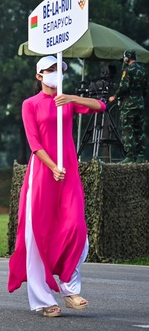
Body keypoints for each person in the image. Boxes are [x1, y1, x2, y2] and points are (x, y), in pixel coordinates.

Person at [8, 56, 106, 317]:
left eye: (58, 69)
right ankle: (43, 300)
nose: (55, 73)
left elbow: (100, 106)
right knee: (38, 233)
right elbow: (34, 143)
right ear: (39, 76)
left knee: (76, 228)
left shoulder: (67, 102)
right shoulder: (30, 104)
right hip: (44, 174)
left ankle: (70, 289)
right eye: (49, 70)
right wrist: (52, 167)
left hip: (69, 173)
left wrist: (72, 99)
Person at [109, 49, 147, 163]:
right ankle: (140, 155)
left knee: (127, 129)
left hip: (129, 105)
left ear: (126, 58)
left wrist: (114, 96)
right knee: (139, 130)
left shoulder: (128, 70)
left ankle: (130, 155)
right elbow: (145, 88)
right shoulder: (143, 70)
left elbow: (124, 87)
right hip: (140, 104)